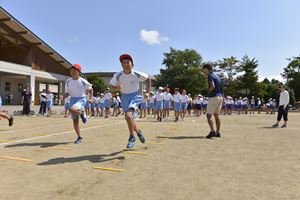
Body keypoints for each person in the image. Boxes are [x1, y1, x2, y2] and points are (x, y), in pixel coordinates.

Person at [110, 54, 151, 149]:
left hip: (135, 96)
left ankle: (131, 137)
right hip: (124, 96)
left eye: (127, 62)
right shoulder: (118, 75)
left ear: (132, 64)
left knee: (128, 116)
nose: (125, 64)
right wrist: (117, 87)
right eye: (123, 63)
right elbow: (112, 85)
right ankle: (138, 132)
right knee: (129, 118)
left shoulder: (136, 74)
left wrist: (148, 92)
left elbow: (148, 79)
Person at [64, 64, 93, 144]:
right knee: (75, 121)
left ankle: (82, 113)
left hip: (81, 99)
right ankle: (79, 137)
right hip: (73, 99)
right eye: (71, 71)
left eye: (74, 71)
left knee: (72, 109)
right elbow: (67, 93)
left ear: (79, 72)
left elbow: (90, 89)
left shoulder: (82, 81)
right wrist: (64, 95)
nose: (72, 72)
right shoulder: (68, 81)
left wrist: (90, 98)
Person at [202, 63, 223, 138]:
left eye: (204, 70)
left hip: (214, 97)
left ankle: (212, 131)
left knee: (209, 115)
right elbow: (221, 88)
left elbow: (213, 86)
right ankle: (218, 132)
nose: (204, 71)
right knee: (217, 116)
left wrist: (208, 91)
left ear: (208, 69)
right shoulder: (217, 76)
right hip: (220, 97)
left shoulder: (210, 76)